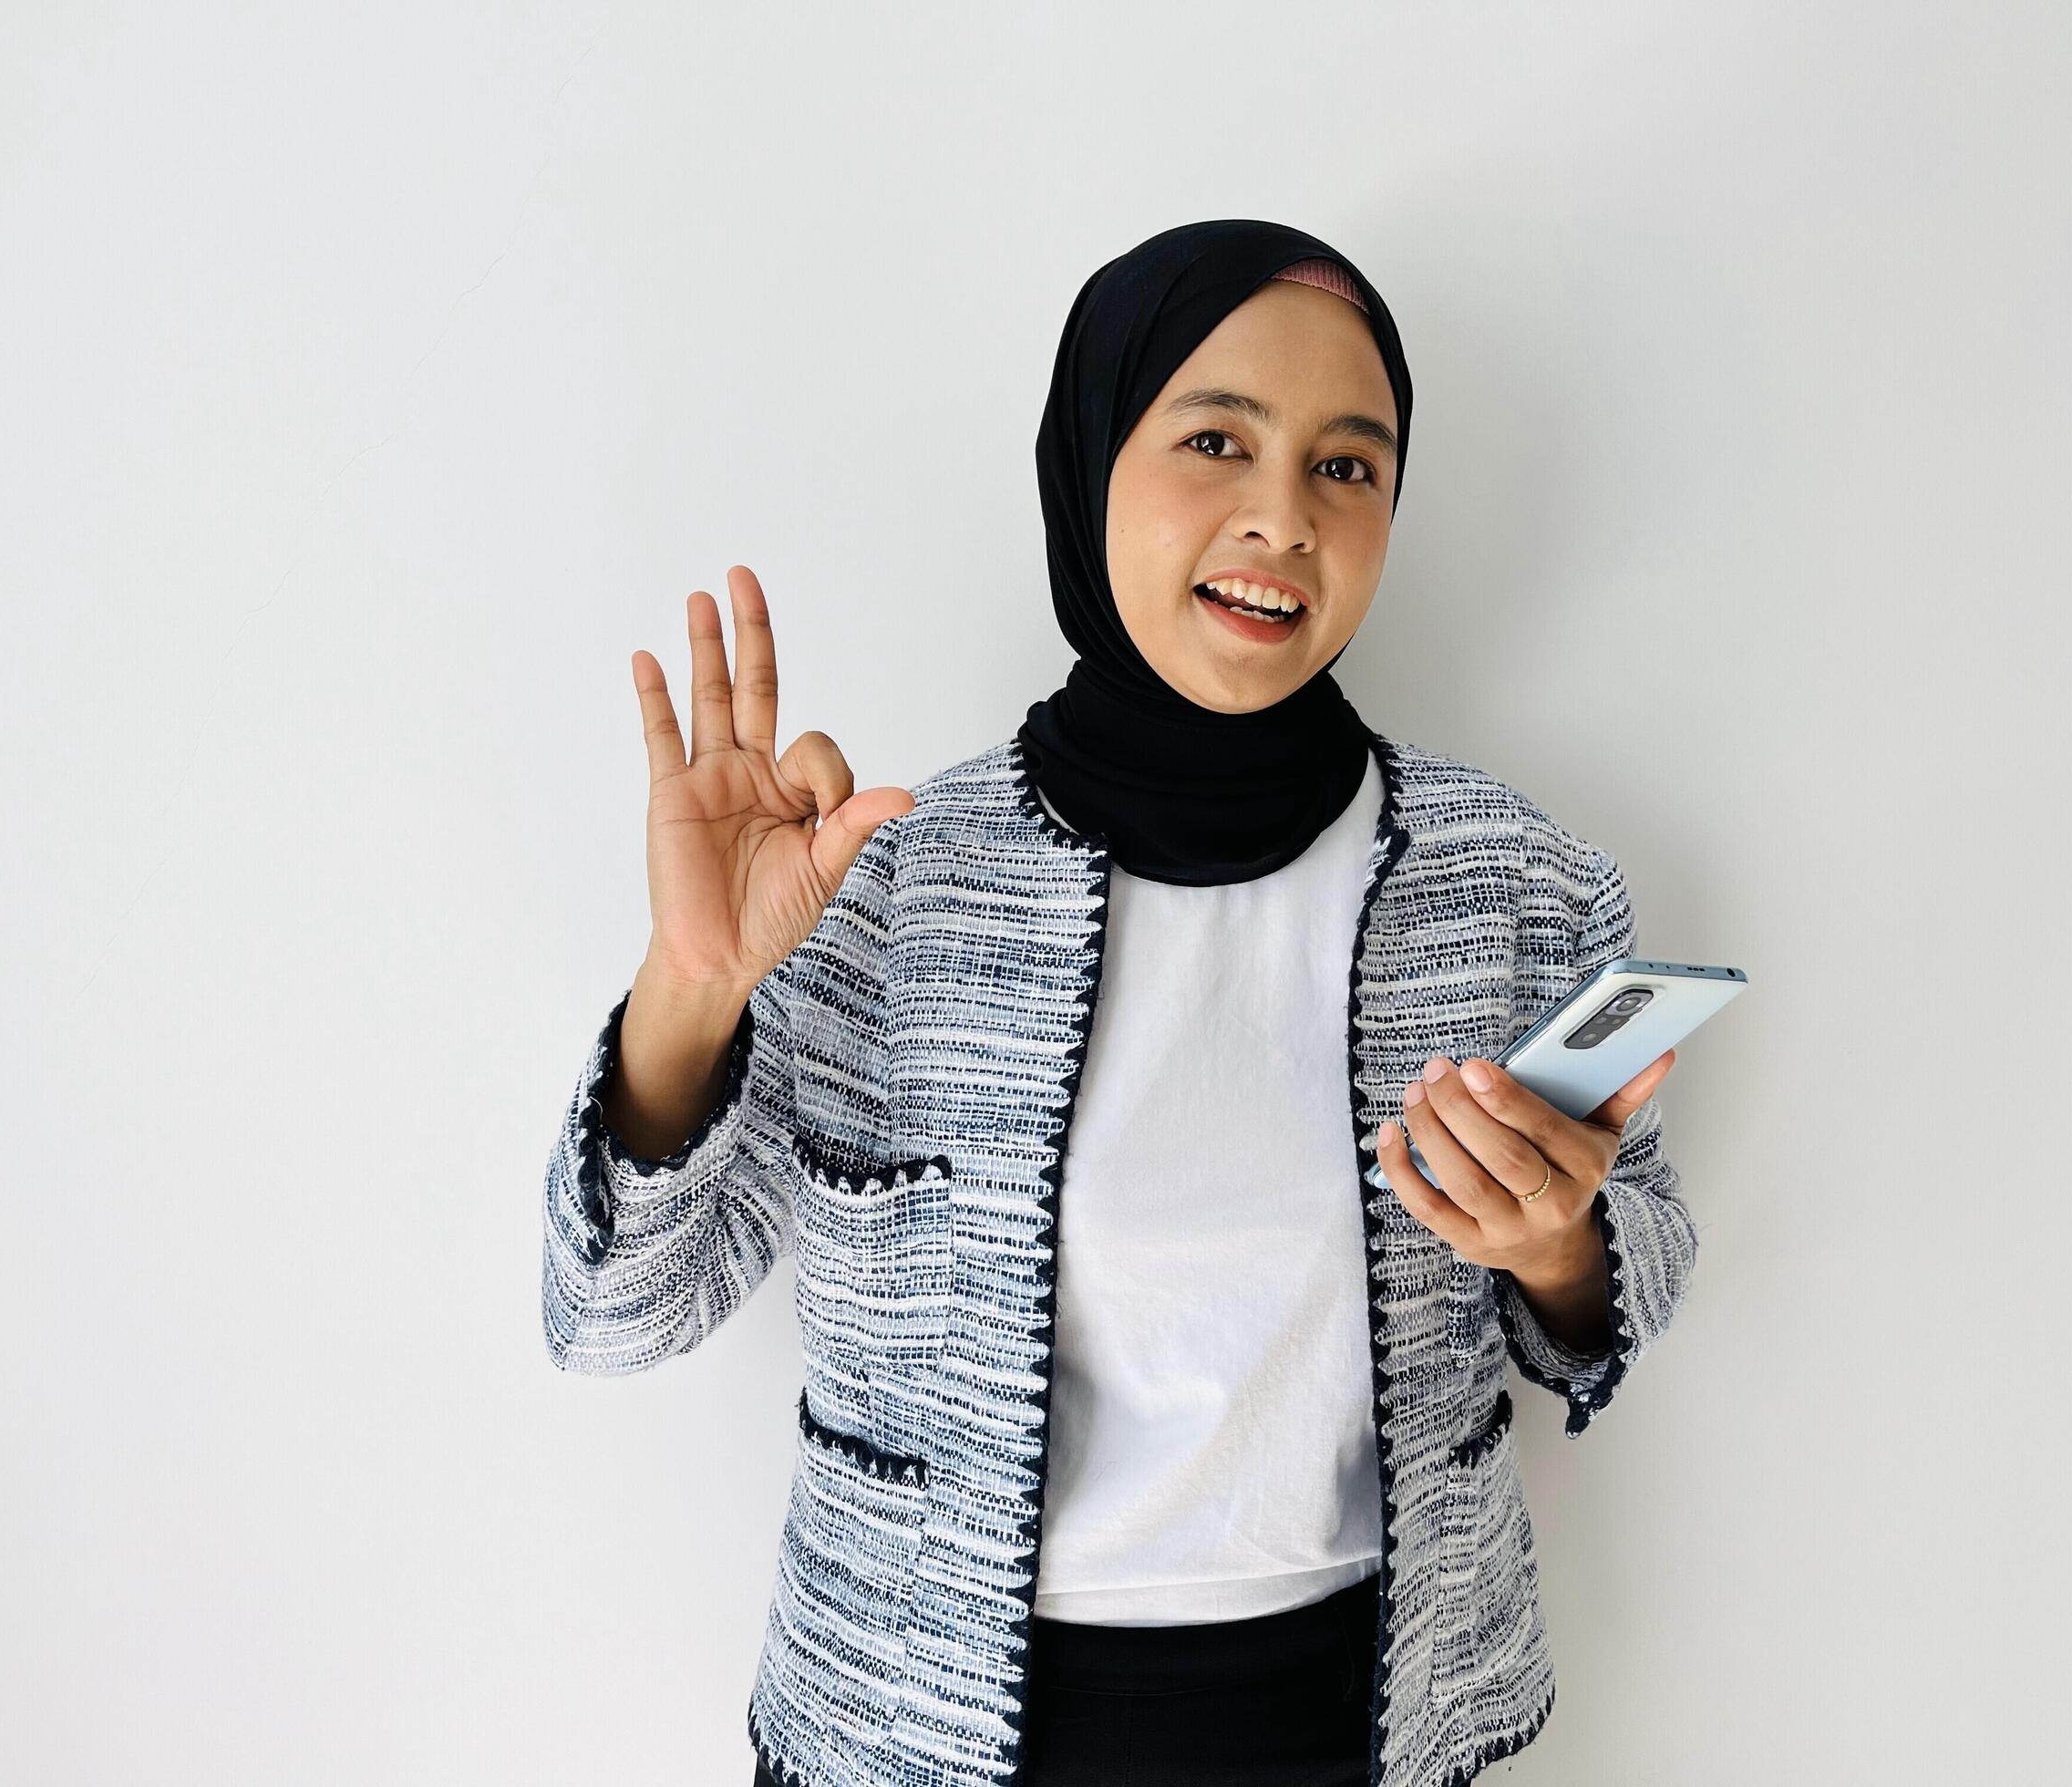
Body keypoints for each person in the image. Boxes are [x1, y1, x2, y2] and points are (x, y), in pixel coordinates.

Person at [542, 219, 1696, 1787]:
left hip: (1366, 1709)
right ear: (1090, 465)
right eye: (1214, 439)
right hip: (918, 1724)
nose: (1280, 518)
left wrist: (1559, 1247)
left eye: (1347, 468)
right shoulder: (875, 885)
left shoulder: (1513, 882)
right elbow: (612, 1318)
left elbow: (1617, 1295)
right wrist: (689, 994)